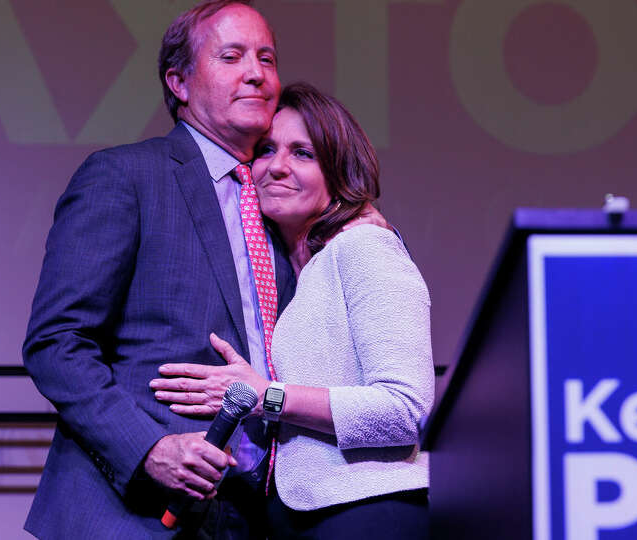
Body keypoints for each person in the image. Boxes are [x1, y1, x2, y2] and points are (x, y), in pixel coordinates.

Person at [22, 2, 357, 537]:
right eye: (232, 56)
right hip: (132, 511)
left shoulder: (282, 207)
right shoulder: (126, 176)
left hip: (255, 512)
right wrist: (148, 449)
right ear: (178, 81)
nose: (257, 73)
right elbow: (56, 343)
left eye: (267, 58)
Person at [151, 83, 433, 539]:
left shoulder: (366, 246)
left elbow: (403, 410)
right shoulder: (294, 276)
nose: (278, 166)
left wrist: (267, 397)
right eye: (265, 150)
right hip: (299, 520)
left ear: (338, 171)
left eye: (303, 153)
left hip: (369, 511)